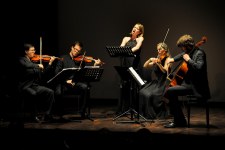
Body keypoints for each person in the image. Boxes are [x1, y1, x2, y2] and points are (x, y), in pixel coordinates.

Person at [164, 34, 211, 128]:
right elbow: (181, 55)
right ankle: (179, 119)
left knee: (170, 91)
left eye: (183, 47)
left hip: (197, 87)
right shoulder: (190, 52)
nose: (182, 50)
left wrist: (189, 60)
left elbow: (199, 67)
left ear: (188, 46)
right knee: (169, 90)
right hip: (189, 84)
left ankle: (179, 120)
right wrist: (171, 59)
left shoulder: (200, 53)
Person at [54, 41, 103, 119]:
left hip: (75, 83)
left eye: (79, 51)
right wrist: (66, 80)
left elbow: (84, 73)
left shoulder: (81, 60)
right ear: (72, 47)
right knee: (58, 92)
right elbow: (57, 73)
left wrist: (95, 65)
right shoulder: (62, 58)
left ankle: (82, 112)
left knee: (85, 87)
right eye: (75, 49)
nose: (76, 52)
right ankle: (59, 112)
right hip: (63, 83)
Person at [15, 43, 56, 123]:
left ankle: (47, 114)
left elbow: (43, 74)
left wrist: (50, 63)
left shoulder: (33, 61)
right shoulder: (21, 60)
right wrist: (37, 65)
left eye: (34, 50)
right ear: (26, 51)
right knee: (33, 94)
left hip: (34, 86)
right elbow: (26, 65)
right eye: (32, 50)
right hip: (25, 86)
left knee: (50, 92)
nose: (34, 52)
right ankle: (33, 115)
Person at [116, 23, 144, 114]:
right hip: (125, 62)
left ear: (139, 32)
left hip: (134, 63)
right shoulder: (126, 38)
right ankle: (124, 109)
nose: (134, 29)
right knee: (125, 84)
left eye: (136, 28)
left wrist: (127, 52)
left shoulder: (140, 38)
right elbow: (121, 47)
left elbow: (137, 47)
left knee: (134, 85)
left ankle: (134, 108)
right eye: (134, 27)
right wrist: (123, 50)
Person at [139, 42, 171, 119]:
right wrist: (150, 59)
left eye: (160, 49)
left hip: (163, 83)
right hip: (156, 82)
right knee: (142, 92)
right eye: (157, 50)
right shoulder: (158, 59)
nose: (158, 51)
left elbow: (164, 71)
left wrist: (159, 64)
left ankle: (153, 114)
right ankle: (146, 114)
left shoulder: (168, 59)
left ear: (165, 50)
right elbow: (145, 66)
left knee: (151, 95)